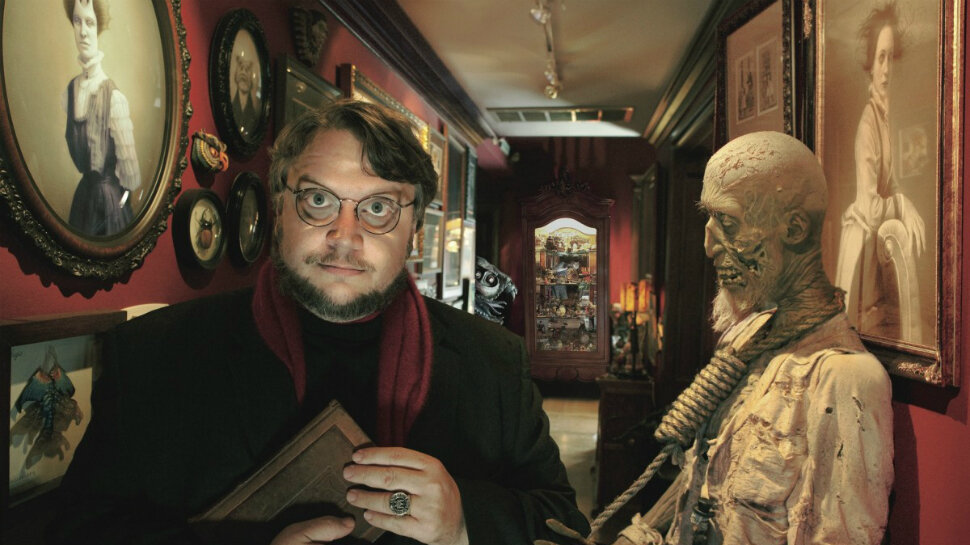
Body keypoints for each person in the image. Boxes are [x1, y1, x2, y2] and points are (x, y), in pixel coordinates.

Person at [48, 99, 588, 545]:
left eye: (378, 208)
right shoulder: (154, 354)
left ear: (415, 232)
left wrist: (465, 520)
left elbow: (564, 524)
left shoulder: (493, 363)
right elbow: (80, 532)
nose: (345, 236)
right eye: (318, 199)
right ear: (279, 209)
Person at [550, 132, 893, 545]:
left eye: (728, 222)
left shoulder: (845, 378)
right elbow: (705, 477)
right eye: (709, 220)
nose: (709, 244)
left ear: (794, 228)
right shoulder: (748, 336)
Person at [834, 1, 925, 342]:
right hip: (862, 251)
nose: (886, 69)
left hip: (877, 246)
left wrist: (904, 200)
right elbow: (871, 208)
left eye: (891, 58)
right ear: (870, 65)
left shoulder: (884, 119)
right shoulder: (867, 125)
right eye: (880, 58)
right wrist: (901, 205)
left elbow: (893, 182)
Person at [62, 0, 142, 236]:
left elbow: (132, 179)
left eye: (90, 22)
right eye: (77, 21)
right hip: (82, 203)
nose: (83, 32)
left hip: (109, 206)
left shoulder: (114, 98)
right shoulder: (69, 92)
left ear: (99, 28)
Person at [232, 50, 261, 137]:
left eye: (247, 69)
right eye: (241, 68)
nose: (243, 73)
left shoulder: (254, 114)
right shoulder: (232, 105)